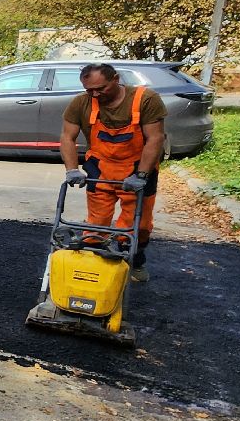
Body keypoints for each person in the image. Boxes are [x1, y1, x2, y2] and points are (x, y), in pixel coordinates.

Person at [59, 63, 167, 282]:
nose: (95, 94)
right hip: (101, 168)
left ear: (116, 79)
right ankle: (93, 271)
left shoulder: (145, 99)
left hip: (137, 168)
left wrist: (142, 175)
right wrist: (72, 170)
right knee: (97, 223)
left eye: (101, 88)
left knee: (140, 225)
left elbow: (155, 138)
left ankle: (135, 260)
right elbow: (67, 137)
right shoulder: (82, 103)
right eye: (89, 90)